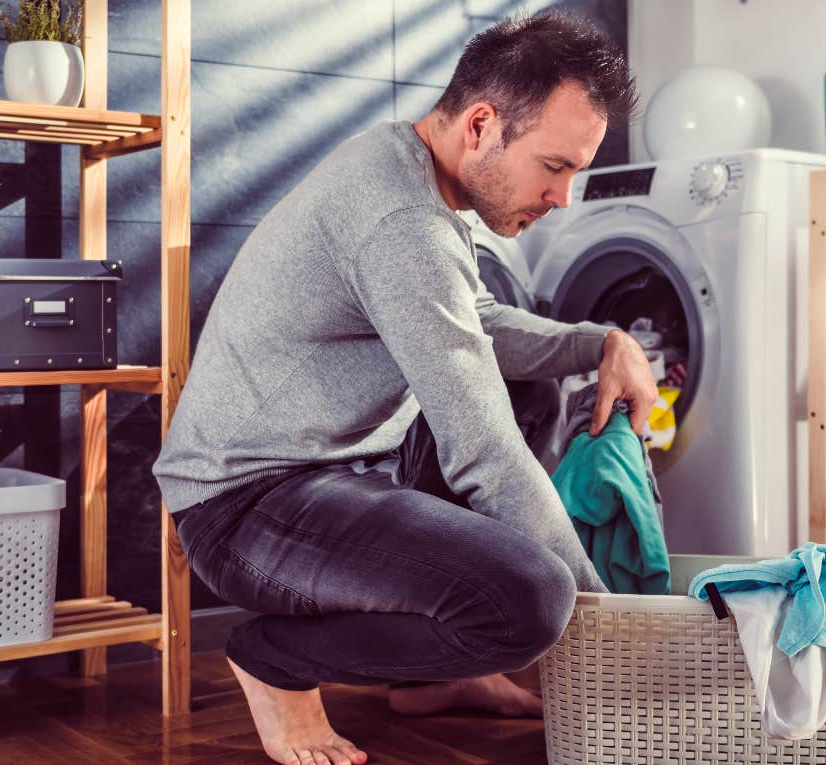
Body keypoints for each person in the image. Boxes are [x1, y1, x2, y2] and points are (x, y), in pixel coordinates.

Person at [152, 12, 653, 765]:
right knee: (533, 599)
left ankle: (434, 681)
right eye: (555, 166)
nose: (565, 197)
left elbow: (472, 320)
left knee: (532, 393)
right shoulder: (402, 218)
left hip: (338, 470)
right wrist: (608, 631)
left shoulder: (411, 171)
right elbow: (484, 450)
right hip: (247, 503)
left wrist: (601, 342)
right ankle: (274, 659)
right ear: (482, 124)